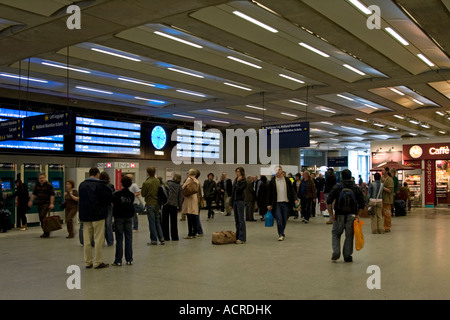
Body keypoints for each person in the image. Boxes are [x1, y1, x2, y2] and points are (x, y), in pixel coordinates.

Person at [327, 169, 365, 263]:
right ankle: (347, 256)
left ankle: (336, 253)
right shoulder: (356, 188)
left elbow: (329, 201)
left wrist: (332, 214)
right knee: (349, 235)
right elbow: (362, 203)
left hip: (339, 215)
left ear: (341, 176)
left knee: (336, 234)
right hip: (351, 215)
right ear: (350, 176)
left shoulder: (337, 187)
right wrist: (358, 215)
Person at [78, 167, 113, 269]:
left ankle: (88, 262)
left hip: (85, 216)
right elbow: (108, 199)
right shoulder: (100, 185)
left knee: (87, 240)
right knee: (98, 239)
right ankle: (98, 261)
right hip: (98, 215)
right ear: (97, 174)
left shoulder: (82, 185)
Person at [267, 166, 298, 241]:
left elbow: (292, 190)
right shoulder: (272, 181)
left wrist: (295, 199)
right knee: (279, 218)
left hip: (286, 203)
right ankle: (281, 234)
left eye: (279, 170)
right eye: (276, 170)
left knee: (284, 218)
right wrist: (268, 204)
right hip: (276, 203)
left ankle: (282, 230)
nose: (278, 171)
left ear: (282, 171)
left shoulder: (287, 180)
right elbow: (269, 193)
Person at [112, 175, 135, 266]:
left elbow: (113, 203)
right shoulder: (131, 195)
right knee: (129, 238)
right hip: (129, 217)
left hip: (119, 218)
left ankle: (118, 260)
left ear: (121, 183)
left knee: (119, 239)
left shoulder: (116, 194)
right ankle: (129, 259)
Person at [141, 166, 164, 245]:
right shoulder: (158, 181)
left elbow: (143, 194)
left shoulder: (146, 183)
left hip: (150, 203)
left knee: (152, 222)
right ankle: (161, 238)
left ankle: (153, 239)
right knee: (157, 221)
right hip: (157, 203)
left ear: (147, 173)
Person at [28, 173, 55, 238]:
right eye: (40, 178)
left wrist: (51, 203)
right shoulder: (37, 185)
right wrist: (31, 201)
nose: (41, 179)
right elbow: (34, 194)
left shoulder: (49, 185)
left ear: (45, 178)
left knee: (43, 215)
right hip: (39, 203)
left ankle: (47, 231)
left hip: (46, 203)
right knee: (41, 218)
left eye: (42, 178)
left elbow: (52, 195)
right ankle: (45, 231)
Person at [162, 174, 183, 241]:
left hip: (166, 204)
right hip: (174, 205)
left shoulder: (167, 183)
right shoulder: (179, 186)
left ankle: (166, 237)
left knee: (165, 221)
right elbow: (180, 198)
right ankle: (175, 237)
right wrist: (180, 207)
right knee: (174, 222)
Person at [230, 167, 247, 244]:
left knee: (241, 220)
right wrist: (231, 203)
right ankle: (237, 236)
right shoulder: (235, 180)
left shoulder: (244, 181)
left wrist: (238, 182)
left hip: (240, 201)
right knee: (236, 220)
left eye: (238, 171)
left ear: (242, 172)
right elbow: (233, 192)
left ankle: (242, 238)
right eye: (236, 171)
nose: (237, 173)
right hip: (235, 201)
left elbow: (239, 189)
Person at [182, 169, 200, 239]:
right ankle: (195, 232)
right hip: (194, 199)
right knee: (194, 217)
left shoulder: (189, 179)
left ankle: (190, 234)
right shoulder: (196, 180)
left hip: (189, 199)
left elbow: (183, 187)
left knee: (189, 217)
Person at [99, 171, 115, 246]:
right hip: (109, 206)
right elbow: (113, 196)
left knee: (101, 224)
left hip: (100, 206)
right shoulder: (111, 186)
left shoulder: (98, 186)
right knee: (108, 224)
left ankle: (101, 241)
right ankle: (110, 241)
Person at [382, 167, 394, 232]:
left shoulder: (390, 180)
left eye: (383, 170)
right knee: (382, 213)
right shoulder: (382, 179)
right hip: (382, 199)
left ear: (386, 171)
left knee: (387, 213)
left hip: (387, 199)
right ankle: (383, 225)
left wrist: (382, 187)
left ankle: (387, 226)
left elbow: (390, 190)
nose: (382, 171)